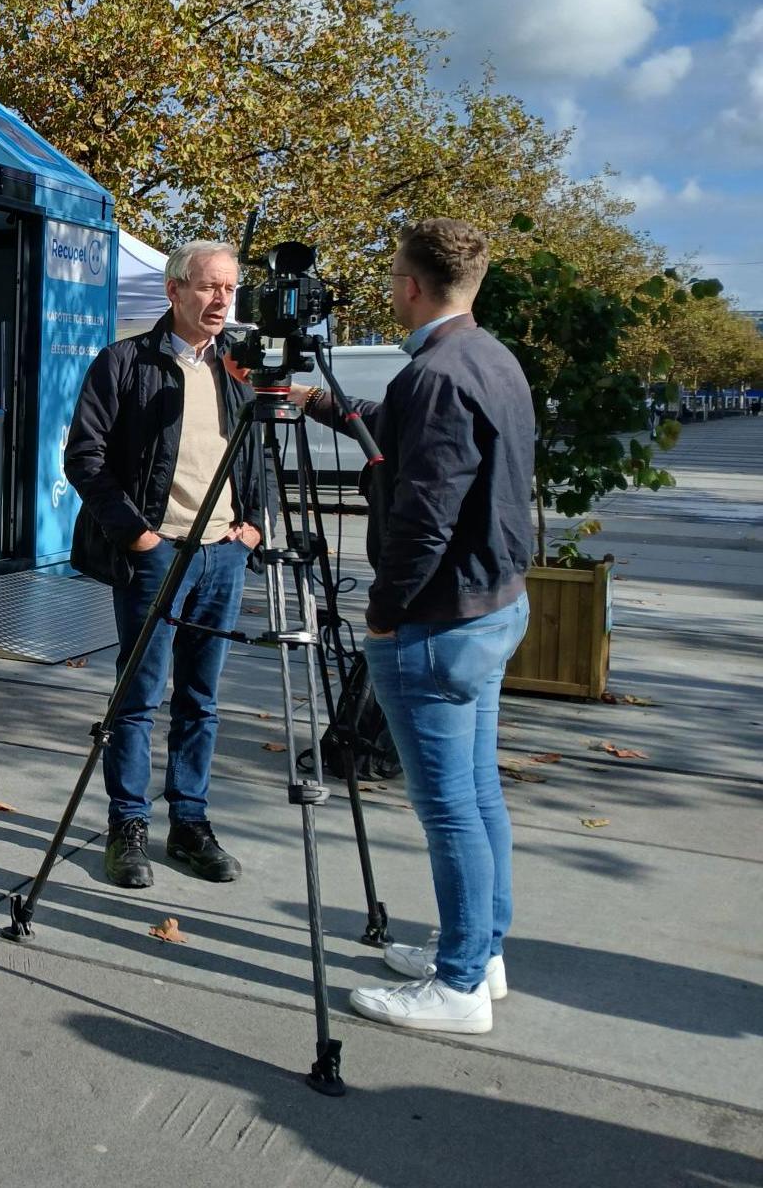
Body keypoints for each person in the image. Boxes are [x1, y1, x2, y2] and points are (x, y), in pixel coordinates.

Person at [296, 218, 534, 1036]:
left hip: (440, 621)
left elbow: (424, 517)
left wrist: (385, 615)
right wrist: (313, 402)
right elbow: (404, 438)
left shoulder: (435, 377)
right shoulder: (485, 357)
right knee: (477, 793)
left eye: (394, 272)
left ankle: (461, 985)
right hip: (492, 604)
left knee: (451, 811)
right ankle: (481, 952)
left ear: (411, 286)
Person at [65, 240, 264, 890]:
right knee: (137, 698)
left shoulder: (234, 370)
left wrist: (254, 527)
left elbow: (254, 454)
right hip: (157, 558)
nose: (221, 300)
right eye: (209, 287)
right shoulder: (123, 364)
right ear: (174, 291)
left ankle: (190, 824)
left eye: (229, 289)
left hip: (223, 559)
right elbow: (85, 458)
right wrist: (138, 538)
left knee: (201, 701)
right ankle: (127, 827)